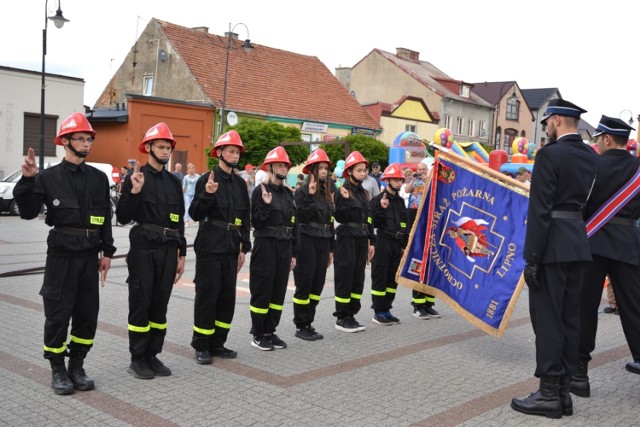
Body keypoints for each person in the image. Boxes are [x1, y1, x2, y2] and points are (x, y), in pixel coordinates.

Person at [13, 112, 115, 395]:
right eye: (79, 138)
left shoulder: (98, 178)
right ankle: (57, 368)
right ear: (65, 142)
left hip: (89, 256)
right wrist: (27, 180)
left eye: (88, 139)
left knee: (87, 314)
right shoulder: (47, 178)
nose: (85, 143)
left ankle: (77, 366)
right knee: (58, 313)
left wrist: (107, 250)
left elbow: (105, 216)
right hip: (61, 255)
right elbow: (29, 212)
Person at [511, 99, 598, 418]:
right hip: (577, 242)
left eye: (548, 121)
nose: (546, 125)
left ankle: (549, 394)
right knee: (569, 319)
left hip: (551, 247)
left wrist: (531, 257)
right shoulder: (591, 156)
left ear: (558, 120)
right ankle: (563, 394)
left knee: (547, 321)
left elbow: (540, 210)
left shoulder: (549, 154)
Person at [570, 115, 640, 398]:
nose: (597, 143)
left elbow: (579, 204)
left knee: (584, 309)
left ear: (607, 138)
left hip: (592, 242)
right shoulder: (638, 168)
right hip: (628, 245)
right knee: (635, 309)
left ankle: (579, 374)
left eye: (598, 138)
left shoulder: (592, 165)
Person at [116, 122, 187, 379]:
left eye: (168, 147)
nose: (166, 151)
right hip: (144, 249)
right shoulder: (137, 177)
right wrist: (133, 192)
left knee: (160, 306)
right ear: (148, 147)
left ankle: (152, 355)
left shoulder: (172, 181)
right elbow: (123, 217)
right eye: (161, 146)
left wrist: (182, 255)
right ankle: (137, 358)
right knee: (140, 304)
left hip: (168, 250)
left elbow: (178, 220)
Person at [188, 130, 252, 364]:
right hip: (210, 245)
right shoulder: (208, 178)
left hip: (231, 246)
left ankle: (218, 343)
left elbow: (246, 217)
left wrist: (244, 247)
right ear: (220, 152)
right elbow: (194, 213)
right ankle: (201, 345)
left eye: (237, 152)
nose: (235, 155)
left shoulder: (240, 183)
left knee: (226, 298)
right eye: (231, 151)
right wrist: (206, 194)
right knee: (207, 296)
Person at [249, 146, 297, 351]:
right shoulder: (261, 191)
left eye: (285, 165)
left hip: (285, 246)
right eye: (279, 164)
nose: (283, 168)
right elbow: (256, 222)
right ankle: (258, 333)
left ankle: (270, 330)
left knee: (278, 291)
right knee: (262, 289)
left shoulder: (288, 194)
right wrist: (266, 205)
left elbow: (293, 225)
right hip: (266, 244)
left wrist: (294, 253)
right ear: (269, 167)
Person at [293, 149, 335, 341]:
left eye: (326, 168)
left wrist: (331, 249)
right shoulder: (302, 191)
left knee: (317, 285)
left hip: (323, 241)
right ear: (312, 170)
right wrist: (310, 196)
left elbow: (331, 221)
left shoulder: (327, 193)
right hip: (307, 240)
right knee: (305, 283)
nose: (324, 171)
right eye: (321, 168)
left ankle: (309, 322)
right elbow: (301, 217)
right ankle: (301, 325)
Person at [333, 151, 375, 332]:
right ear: (349, 171)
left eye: (364, 170)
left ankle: (352, 314)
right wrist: (343, 200)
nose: (363, 173)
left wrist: (371, 241)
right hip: (347, 237)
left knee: (358, 278)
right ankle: (342, 317)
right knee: (345, 277)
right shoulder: (343, 191)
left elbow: (369, 218)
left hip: (361, 237)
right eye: (359, 170)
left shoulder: (365, 193)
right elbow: (340, 216)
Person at [370, 163, 409, 325]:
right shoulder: (378, 200)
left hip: (396, 244)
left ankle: (387, 309)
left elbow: (405, 224)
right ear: (387, 180)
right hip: (383, 241)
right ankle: (378, 311)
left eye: (401, 180)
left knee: (392, 279)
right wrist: (381, 208)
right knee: (380, 276)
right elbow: (374, 222)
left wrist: (403, 246)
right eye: (396, 180)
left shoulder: (400, 202)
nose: (399, 183)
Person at [402, 159, 440, 319]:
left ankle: (429, 304)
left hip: (429, 218)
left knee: (431, 264)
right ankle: (417, 304)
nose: (421, 171)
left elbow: (435, 195)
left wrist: (427, 179)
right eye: (419, 169)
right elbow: (407, 189)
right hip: (414, 215)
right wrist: (413, 178)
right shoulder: (414, 179)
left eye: (423, 169)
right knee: (418, 261)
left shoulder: (432, 182)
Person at [182, 163, 200, 227]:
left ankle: (194, 219)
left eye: (192, 168)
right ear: (188, 170)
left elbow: (200, 185)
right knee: (187, 206)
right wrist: (182, 195)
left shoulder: (198, 176)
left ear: (194, 169)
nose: (191, 169)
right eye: (190, 168)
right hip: (187, 194)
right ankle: (186, 221)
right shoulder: (186, 177)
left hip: (195, 194)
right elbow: (184, 187)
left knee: (195, 206)